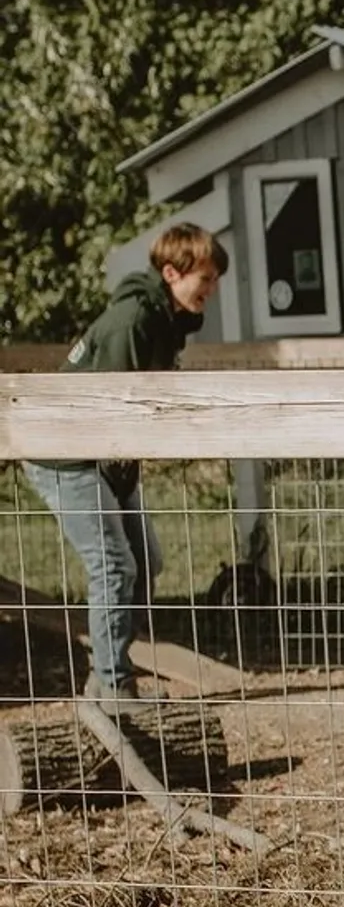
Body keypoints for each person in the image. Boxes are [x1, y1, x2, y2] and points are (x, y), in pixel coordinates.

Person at [23, 221, 225, 711]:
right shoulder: (133, 319)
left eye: (215, 280)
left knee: (145, 562)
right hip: (66, 453)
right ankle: (114, 683)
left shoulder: (168, 321)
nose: (211, 290)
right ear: (173, 272)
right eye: (206, 279)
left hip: (106, 455)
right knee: (113, 564)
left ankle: (107, 674)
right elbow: (117, 404)